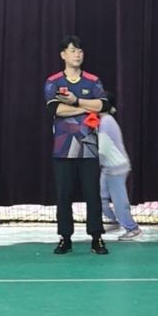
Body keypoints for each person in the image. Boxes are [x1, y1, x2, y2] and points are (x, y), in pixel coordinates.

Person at [45, 35, 109, 256]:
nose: (77, 54)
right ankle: (65, 238)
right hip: (63, 150)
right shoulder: (54, 81)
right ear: (63, 55)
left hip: (89, 148)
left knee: (93, 195)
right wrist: (86, 108)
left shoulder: (93, 81)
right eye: (73, 50)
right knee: (64, 196)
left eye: (80, 50)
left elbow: (104, 105)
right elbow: (55, 109)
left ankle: (96, 237)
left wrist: (76, 101)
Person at [99, 94, 141, 239]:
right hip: (108, 168)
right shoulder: (102, 120)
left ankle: (132, 228)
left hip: (117, 168)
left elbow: (102, 148)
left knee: (119, 201)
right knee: (99, 197)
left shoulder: (107, 121)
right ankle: (114, 221)